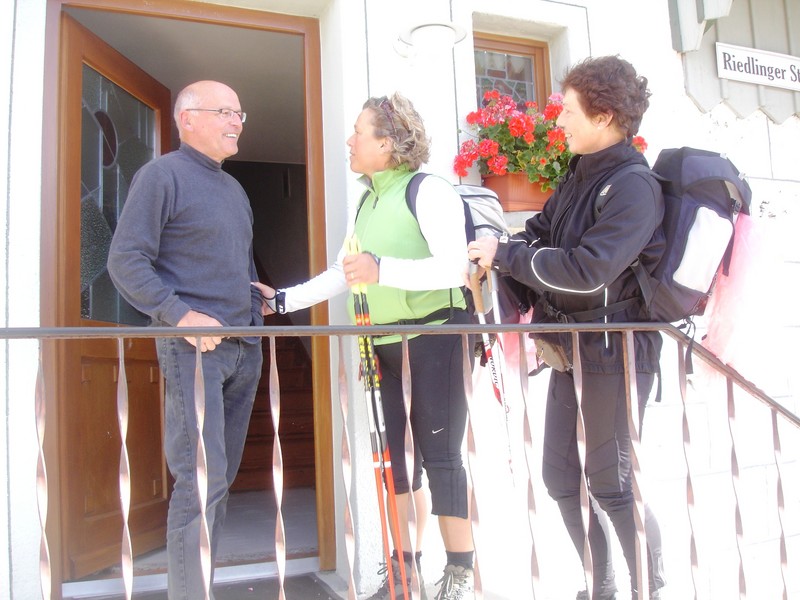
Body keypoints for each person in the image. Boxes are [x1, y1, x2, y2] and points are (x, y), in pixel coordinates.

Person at [255, 92, 475, 600]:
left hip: (435, 341)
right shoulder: (368, 200)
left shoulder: (428, 190)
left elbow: (455, 268)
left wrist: (382, 268)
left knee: (442, 460)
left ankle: (460, 577)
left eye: (359, 131)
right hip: (383, 348)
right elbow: (345, 271)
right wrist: (282, 301)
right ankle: (404, 575)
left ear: (388, 142)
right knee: (396, 465)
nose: (349, 141)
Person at [468, 56, 667, 600]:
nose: (557, 122)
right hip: (570, 350)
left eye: (568, 112)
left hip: (615, 353)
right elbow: (537, 234)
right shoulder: (580, 174)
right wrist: (502, 251)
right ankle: (600, 588)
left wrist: (509, 256)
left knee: (612, 484)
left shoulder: (633, 187)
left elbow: (587, 270)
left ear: (604, 117)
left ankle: (650, 589)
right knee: (562, 478)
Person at [107, 80, 269, 600]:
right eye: (225, 111)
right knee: (200, 482)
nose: (236, 122)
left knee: (218, 483)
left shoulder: (234, 190)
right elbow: (125, 261)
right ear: (188, 119)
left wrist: (254, 300)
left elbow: (234, 264)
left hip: (244, 350)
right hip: (194, 352)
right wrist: (179, 316)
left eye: (240, 113)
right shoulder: (161, 176)